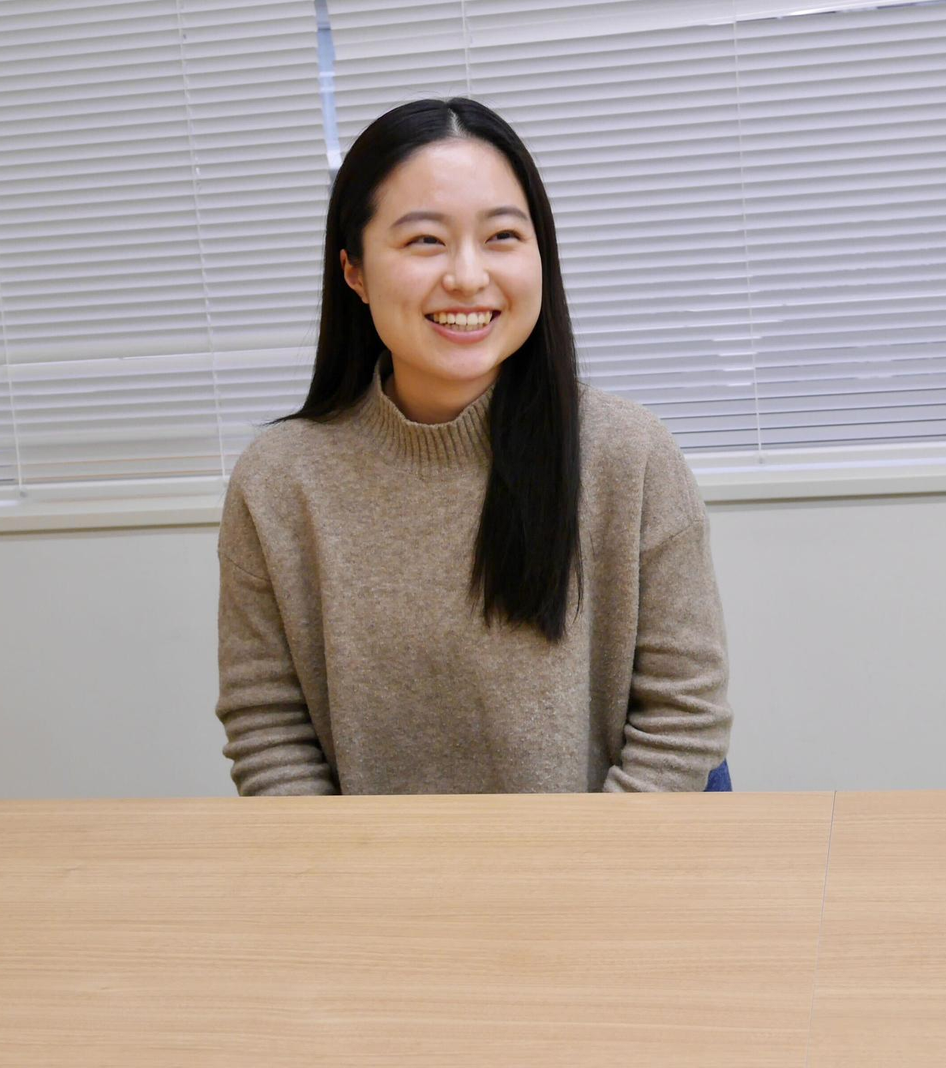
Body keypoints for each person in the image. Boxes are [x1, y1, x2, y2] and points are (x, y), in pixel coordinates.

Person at [214, 97, 731, 795]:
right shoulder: (279, 482)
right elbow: (270, 733)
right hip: (367, 864)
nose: (466, 276)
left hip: (604, 858)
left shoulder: (628, 455)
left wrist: (583, 865)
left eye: (502, 236)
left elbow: (681, 722)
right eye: (425, 241)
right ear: (354, 271)